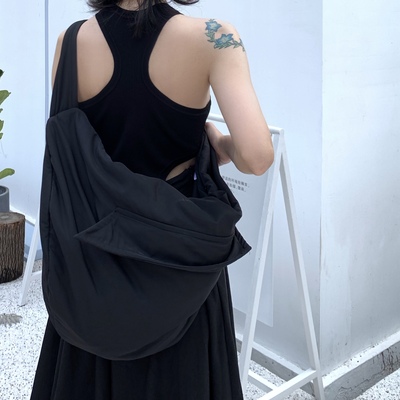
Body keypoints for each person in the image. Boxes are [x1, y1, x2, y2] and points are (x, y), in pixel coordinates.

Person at [31, 0, 273, 399]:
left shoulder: (70, 43)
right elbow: (257, 157)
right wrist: (220, 143)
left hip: (96, 263)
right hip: (177, 260)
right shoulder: (214, 37)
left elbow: (71, 150)